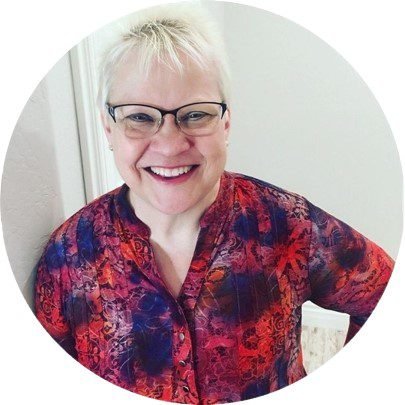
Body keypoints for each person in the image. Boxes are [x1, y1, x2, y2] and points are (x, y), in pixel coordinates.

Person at [34, 3, 395, 404]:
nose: (170, 144)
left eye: (195, 115)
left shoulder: (287, 224)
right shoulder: (68, 255)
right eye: (139, 117)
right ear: (109, 129)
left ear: (225, 124)